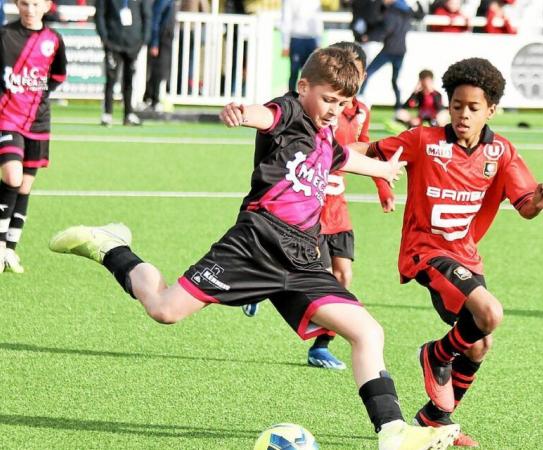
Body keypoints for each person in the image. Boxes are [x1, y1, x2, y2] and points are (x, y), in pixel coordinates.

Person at [48, 46, 460, 450]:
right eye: (328, 99)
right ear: (303, 87)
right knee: (163, 310)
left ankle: (393, 433)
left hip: (303, 258)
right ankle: (112, 246)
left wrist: (385, 169)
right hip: (254, 244)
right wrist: (240, 112)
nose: (334, 110)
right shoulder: (289, 112)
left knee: (368, 332)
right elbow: (263, 116)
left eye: (343, 103)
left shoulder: (324, 134)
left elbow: (343, 158)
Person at [361, 58, 543, 447]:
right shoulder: (423, 141)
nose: (463, 115)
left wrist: (538, 200)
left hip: (465, 256)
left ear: (491, 111)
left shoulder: (501, 152)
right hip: (425, 251)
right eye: (457, 106)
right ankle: (435, 355)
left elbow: (525, 208)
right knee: (490, 313)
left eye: (473, 108)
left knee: (480, 342)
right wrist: (321, 146)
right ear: (447, 106)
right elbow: (366, 151)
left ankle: (435, 417)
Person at [241, 42, 396, 372]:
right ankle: (314, 335)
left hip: (339, 208)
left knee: (344, 274)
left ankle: (322, 340)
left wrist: (383, 181)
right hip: (310, 210)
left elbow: (360, 153)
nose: (335, 105)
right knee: (319, 276)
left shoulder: (359, 111)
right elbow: (277, 122)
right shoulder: (309, 110)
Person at [0, 0, 67, 273]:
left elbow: (58, 76)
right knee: (12, 178)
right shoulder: (4, 36)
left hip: (38, 122)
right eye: (25, 3)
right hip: (7, 119)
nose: (30, 9)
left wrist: (35, 97)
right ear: (18, 4)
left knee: (25, 188)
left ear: (46, 6)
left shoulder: (54, 39)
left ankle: (11, 251)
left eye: (35, 4)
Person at [360, 0, 424, 110]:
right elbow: (420, 16)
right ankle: (398, 106)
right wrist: (417, 3)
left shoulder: (391, 12)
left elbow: (385, 29)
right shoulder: (407, 12)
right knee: (395, 80)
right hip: (400, 51)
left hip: (389, 50)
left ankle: (359, 98)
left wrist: (369, 37)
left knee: (367, 73)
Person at [95, 0, 151, 126]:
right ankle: (107, 113)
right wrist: (104, 38)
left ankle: (128, 113)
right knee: (111, 79)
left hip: (133, 43)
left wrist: (143, 40)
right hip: (113, 42)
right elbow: (100, 14)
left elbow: (146, 15)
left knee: (129, 80)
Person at [280, 0, 323, 93]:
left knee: (311, 74)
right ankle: (291, 99)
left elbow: (318, 19)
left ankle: (307, 101)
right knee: (294, 72)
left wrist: (319, 42)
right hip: (296, 39)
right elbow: (286, 19)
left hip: (311, 40)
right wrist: (285, 44)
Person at [143, 0, 175, 111]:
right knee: (159, 70)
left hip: (166, 38)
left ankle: (149, 97)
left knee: (161, 70)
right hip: (162, 38)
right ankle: (153, 99)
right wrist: (155, 42)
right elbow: (155, 19)